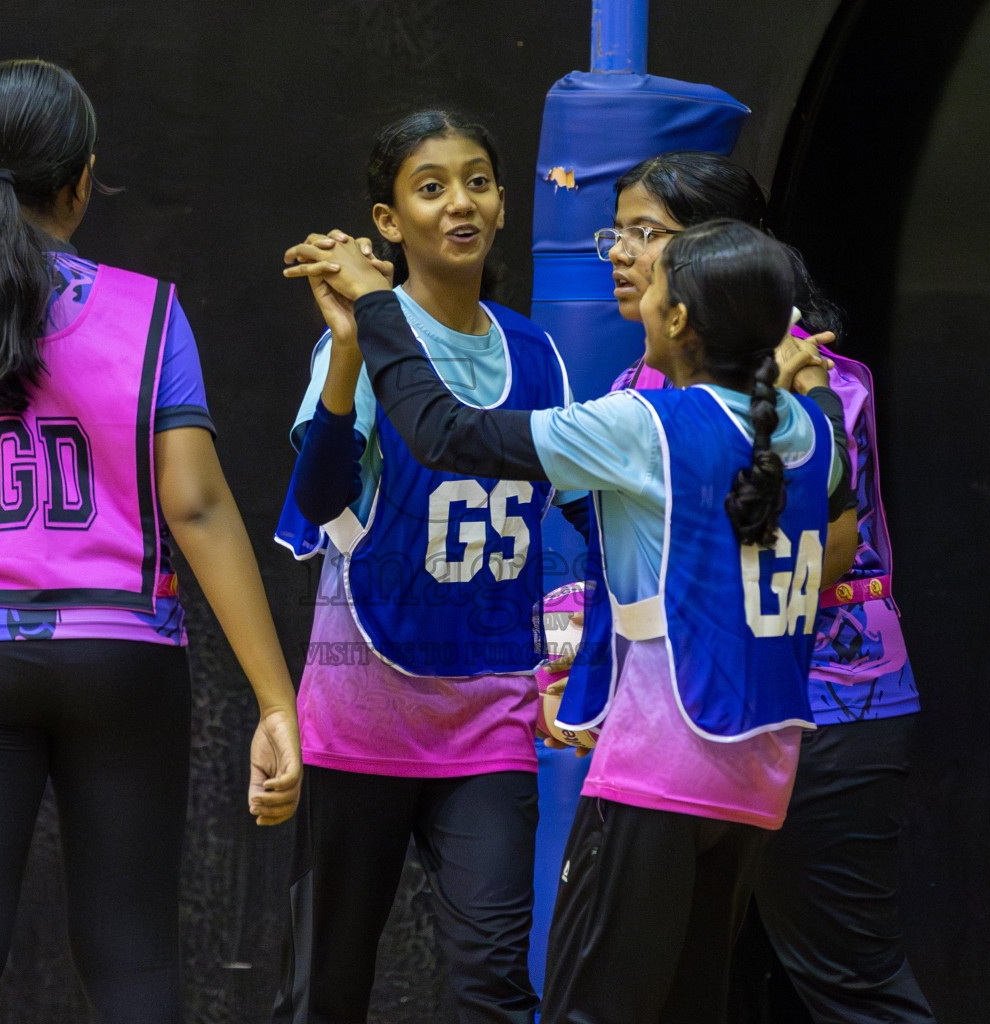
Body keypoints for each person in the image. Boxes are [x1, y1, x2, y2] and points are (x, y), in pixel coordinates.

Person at [286, 218, 853, 1024]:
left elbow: (445, 432)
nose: (636, 291)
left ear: (682, 320)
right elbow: (831, 443)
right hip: (758, 783)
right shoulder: (812, 434)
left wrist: (378, 303)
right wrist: (811, 381)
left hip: (659, 771)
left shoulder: (646, 426)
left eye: (653, 282)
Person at [0, 59, 300, 1024]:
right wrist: (275, 702)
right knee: (132, 963)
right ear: (85, 177)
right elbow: (199, 508)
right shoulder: (150, 313)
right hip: (123, 654)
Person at [599, 151, 934, 1024]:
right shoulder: (628, 394)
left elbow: (824, 545)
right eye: (618, 231)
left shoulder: (826, 387)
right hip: (686, 721)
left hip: (828, 705)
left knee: (844, 977)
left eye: (650, 236)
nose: (623, 254)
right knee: (669, 981)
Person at [270, 110, 575, 1024]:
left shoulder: (536, 353)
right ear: (388, 220)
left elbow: (563, 541)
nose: (460, 202)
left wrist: (560, 662)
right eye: (431, 186)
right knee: (325, 991)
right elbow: (322, 499)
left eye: (477, 180)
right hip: (358, 718)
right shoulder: (356, 342)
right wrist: (348, 357)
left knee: (492, 984)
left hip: (490, 720)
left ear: (505, 204)